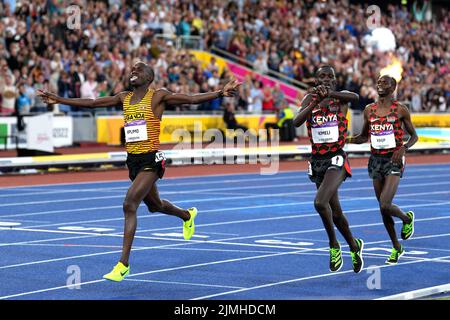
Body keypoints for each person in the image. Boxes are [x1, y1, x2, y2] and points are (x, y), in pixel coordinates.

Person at [38, 61, 241, 282]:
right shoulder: (124, 97)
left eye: (139, 69)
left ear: (149, 77)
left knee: (129, 204)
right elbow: (92, 102)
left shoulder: (158, 96)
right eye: (132, 69)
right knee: (155, 206)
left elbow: (191, 98)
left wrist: (220, 92)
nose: (133, 71)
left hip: (151, 161)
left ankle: (123, 264)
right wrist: (58, 99)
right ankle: (187, 215)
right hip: (133, 162)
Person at [293, 65, 364, 273]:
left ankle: (334, 245)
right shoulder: (308, 100)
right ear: (315, 81)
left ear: (334, 80)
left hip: (337, 158)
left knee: (319, 202)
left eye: (329, 77)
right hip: (317, 161)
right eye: (321, 76)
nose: (325, 79)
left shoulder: (340, 99)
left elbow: (356, 96)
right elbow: (296, 121)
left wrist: (330, 93)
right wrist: (314, 100)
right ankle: (354, 245)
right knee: (336, 213)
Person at [347, 75, 418, 264]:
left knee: (385, 204)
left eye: (385, 83)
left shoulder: (400, 109)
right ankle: (396, 247)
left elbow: (414, 136)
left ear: (393, 87)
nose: (380, 85)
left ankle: (406, 219)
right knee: (383, 209)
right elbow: (363, 136)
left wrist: (404, 148)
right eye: (378, 82)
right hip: (375, 160)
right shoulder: (369, 110)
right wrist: (345, 139)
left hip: (394, 158)